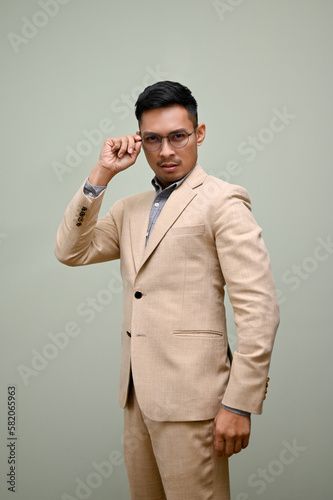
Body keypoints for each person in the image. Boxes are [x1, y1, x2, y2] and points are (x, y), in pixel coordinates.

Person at [55, 81, 279, 500]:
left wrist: (239, 402)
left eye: (178, 136)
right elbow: (71, 251)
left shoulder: (223, 201)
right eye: (153, 139)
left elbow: (259, 307)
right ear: (140, 141)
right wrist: (101, 174)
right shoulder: (129, 209)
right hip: (137, 397)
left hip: (196, 401)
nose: (166, 151)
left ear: (199, 133)